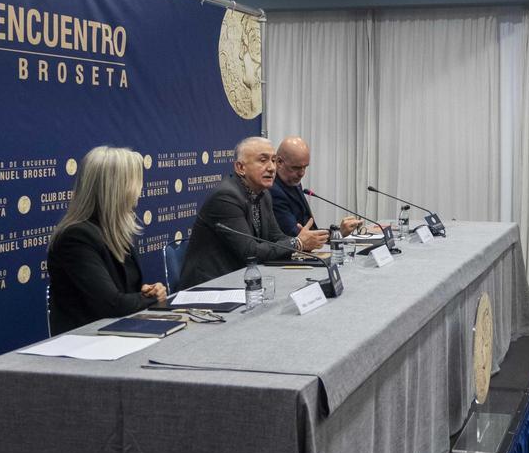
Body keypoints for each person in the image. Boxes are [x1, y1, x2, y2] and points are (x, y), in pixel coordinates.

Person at [46, 146, 167, 335]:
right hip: (86, 341)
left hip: (118, 332)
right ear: (117, 188)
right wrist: (151, 298)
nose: (139, 190)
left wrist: (146, 292)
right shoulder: (75, 237)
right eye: (136, 182)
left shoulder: (115, 231)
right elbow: (111, 305)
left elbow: (124, 291)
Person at [180, 136, 329, 288]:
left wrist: (303, 241)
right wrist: (297, 243)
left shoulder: (263, 194)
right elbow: (250, 252)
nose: (271, 168)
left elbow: (276, 237)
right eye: (263, 160)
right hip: (209, 286)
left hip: (241, 280)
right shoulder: (226, 197)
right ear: (240, 168)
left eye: (273, 160)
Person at [269, 136, 361, 238]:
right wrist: (338, 233)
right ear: (279, 162)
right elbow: (298, 236)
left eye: (305, 167)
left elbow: (311, 230)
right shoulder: (273, 191)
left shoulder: (293, 181)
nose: (302, 173)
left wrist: (338, 232)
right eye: (296, 168)